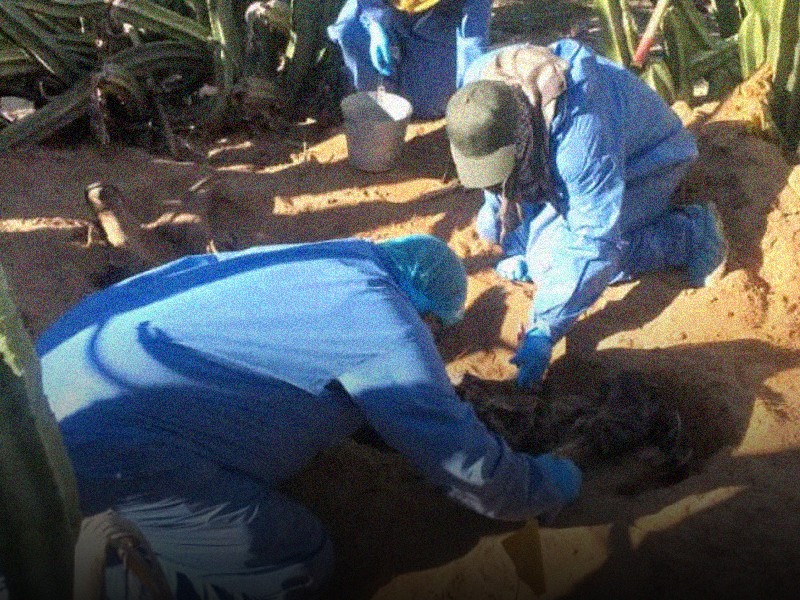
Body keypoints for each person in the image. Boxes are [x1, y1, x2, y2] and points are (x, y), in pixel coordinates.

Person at [36, 234, 582, 600]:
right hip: (100, 449)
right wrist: (543, 486)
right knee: (297, 560)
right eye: (438, 332)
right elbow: (468, 467)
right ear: (426, 318)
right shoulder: (388, 327)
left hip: (41, 389)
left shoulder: (325, 258)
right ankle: (94, 574)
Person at [444, 38, 728, 390]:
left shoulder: (581, 138)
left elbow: (594, 241)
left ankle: (689, 233)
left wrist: (544, 328)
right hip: (552, 157)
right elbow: (497, 186)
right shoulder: (478, 91)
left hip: (646, 162)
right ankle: (536, 242)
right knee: (492, 228)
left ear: (521, 137)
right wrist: (509, 226)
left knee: (553, 262)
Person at [327, 0, 492, 119]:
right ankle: (371, 89)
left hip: (438, 20)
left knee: (431, 105)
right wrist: (374, 23)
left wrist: (468, 92)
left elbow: (472, 41)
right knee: (351, 34)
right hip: (382, 7)